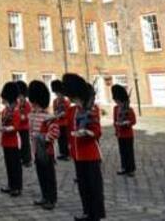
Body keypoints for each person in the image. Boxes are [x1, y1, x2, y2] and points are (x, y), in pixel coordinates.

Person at [63, 73, 105, 221]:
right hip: (77, 153)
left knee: (94, 186)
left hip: (90, 153)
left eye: (74, 97)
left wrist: (87, 132)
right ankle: (87, 212)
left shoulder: (92, 109)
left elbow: (97, 131)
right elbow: (68, 129)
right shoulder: (72, 111)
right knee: (83, 186)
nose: (73, 100)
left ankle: (96, 215)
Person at [28, 80, 59, 211]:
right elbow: (31, 132)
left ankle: (51, 199)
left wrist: (43, 138)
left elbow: (55, 132)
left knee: (49, 176)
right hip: (36, 151)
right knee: (41, 175)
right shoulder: (33, 115)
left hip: (47, 151)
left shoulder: (48, 117)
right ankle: (44, 196)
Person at [0, 82, 22, 197]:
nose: (4, 101)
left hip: (13, 141)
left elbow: (16, 126)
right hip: (6, 141)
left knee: (15, 165)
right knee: (8, 165)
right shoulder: (6, 111)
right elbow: (4, 121)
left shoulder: (16, 111)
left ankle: (17, 187)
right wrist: (4, 128)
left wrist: (6, 129)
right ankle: (11, 184)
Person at [112, 84, 136, 176]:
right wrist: (116, 127)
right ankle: (124, 167)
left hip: (128, 134)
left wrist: (127, 123)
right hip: (120, 134)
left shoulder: (129, 109)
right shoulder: (116, 109)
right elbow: (115, 120)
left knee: (129, 152)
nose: (117, 102)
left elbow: (133, 121)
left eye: (118, 100)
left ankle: (131, 169)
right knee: (122, 152)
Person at [50, 80, 71, 161]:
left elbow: (67, 112)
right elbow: (55, 110)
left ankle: (67, 154)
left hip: (65, 123)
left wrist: (60, 115)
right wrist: (55, 114)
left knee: (65, 139)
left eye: (58, 93)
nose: (57, 95)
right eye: (56, 93)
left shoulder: (66, 101)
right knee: (60, 139)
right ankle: (62, 153)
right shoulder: (55, 101)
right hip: (58, 123)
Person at [15, 80, 32, 168]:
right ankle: (21, 158)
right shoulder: (18, 104)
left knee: (26, 144)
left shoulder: (27, 104)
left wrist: (23, 117)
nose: (20, 97)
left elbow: (28, 115)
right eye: (19, 96)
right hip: (18, 127)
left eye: (21, 96)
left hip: (25, 127)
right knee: (20, 144)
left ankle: (27, 160)